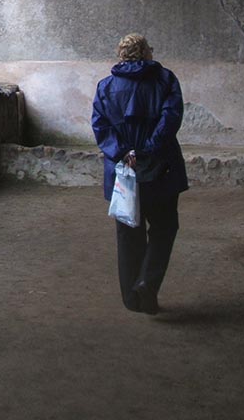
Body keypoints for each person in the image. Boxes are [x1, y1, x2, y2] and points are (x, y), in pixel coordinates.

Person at [92, 34, 188, 315]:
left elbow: (100, 126)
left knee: (128, 234)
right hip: (161, 168)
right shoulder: (165, 80)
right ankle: (147, 282)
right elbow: (171, 118)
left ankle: (132, 299)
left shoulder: (106, 87)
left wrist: (124, 152)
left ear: (121, 55)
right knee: (164, 227)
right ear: (145, 53)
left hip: (124, 171)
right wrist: (147, 150)